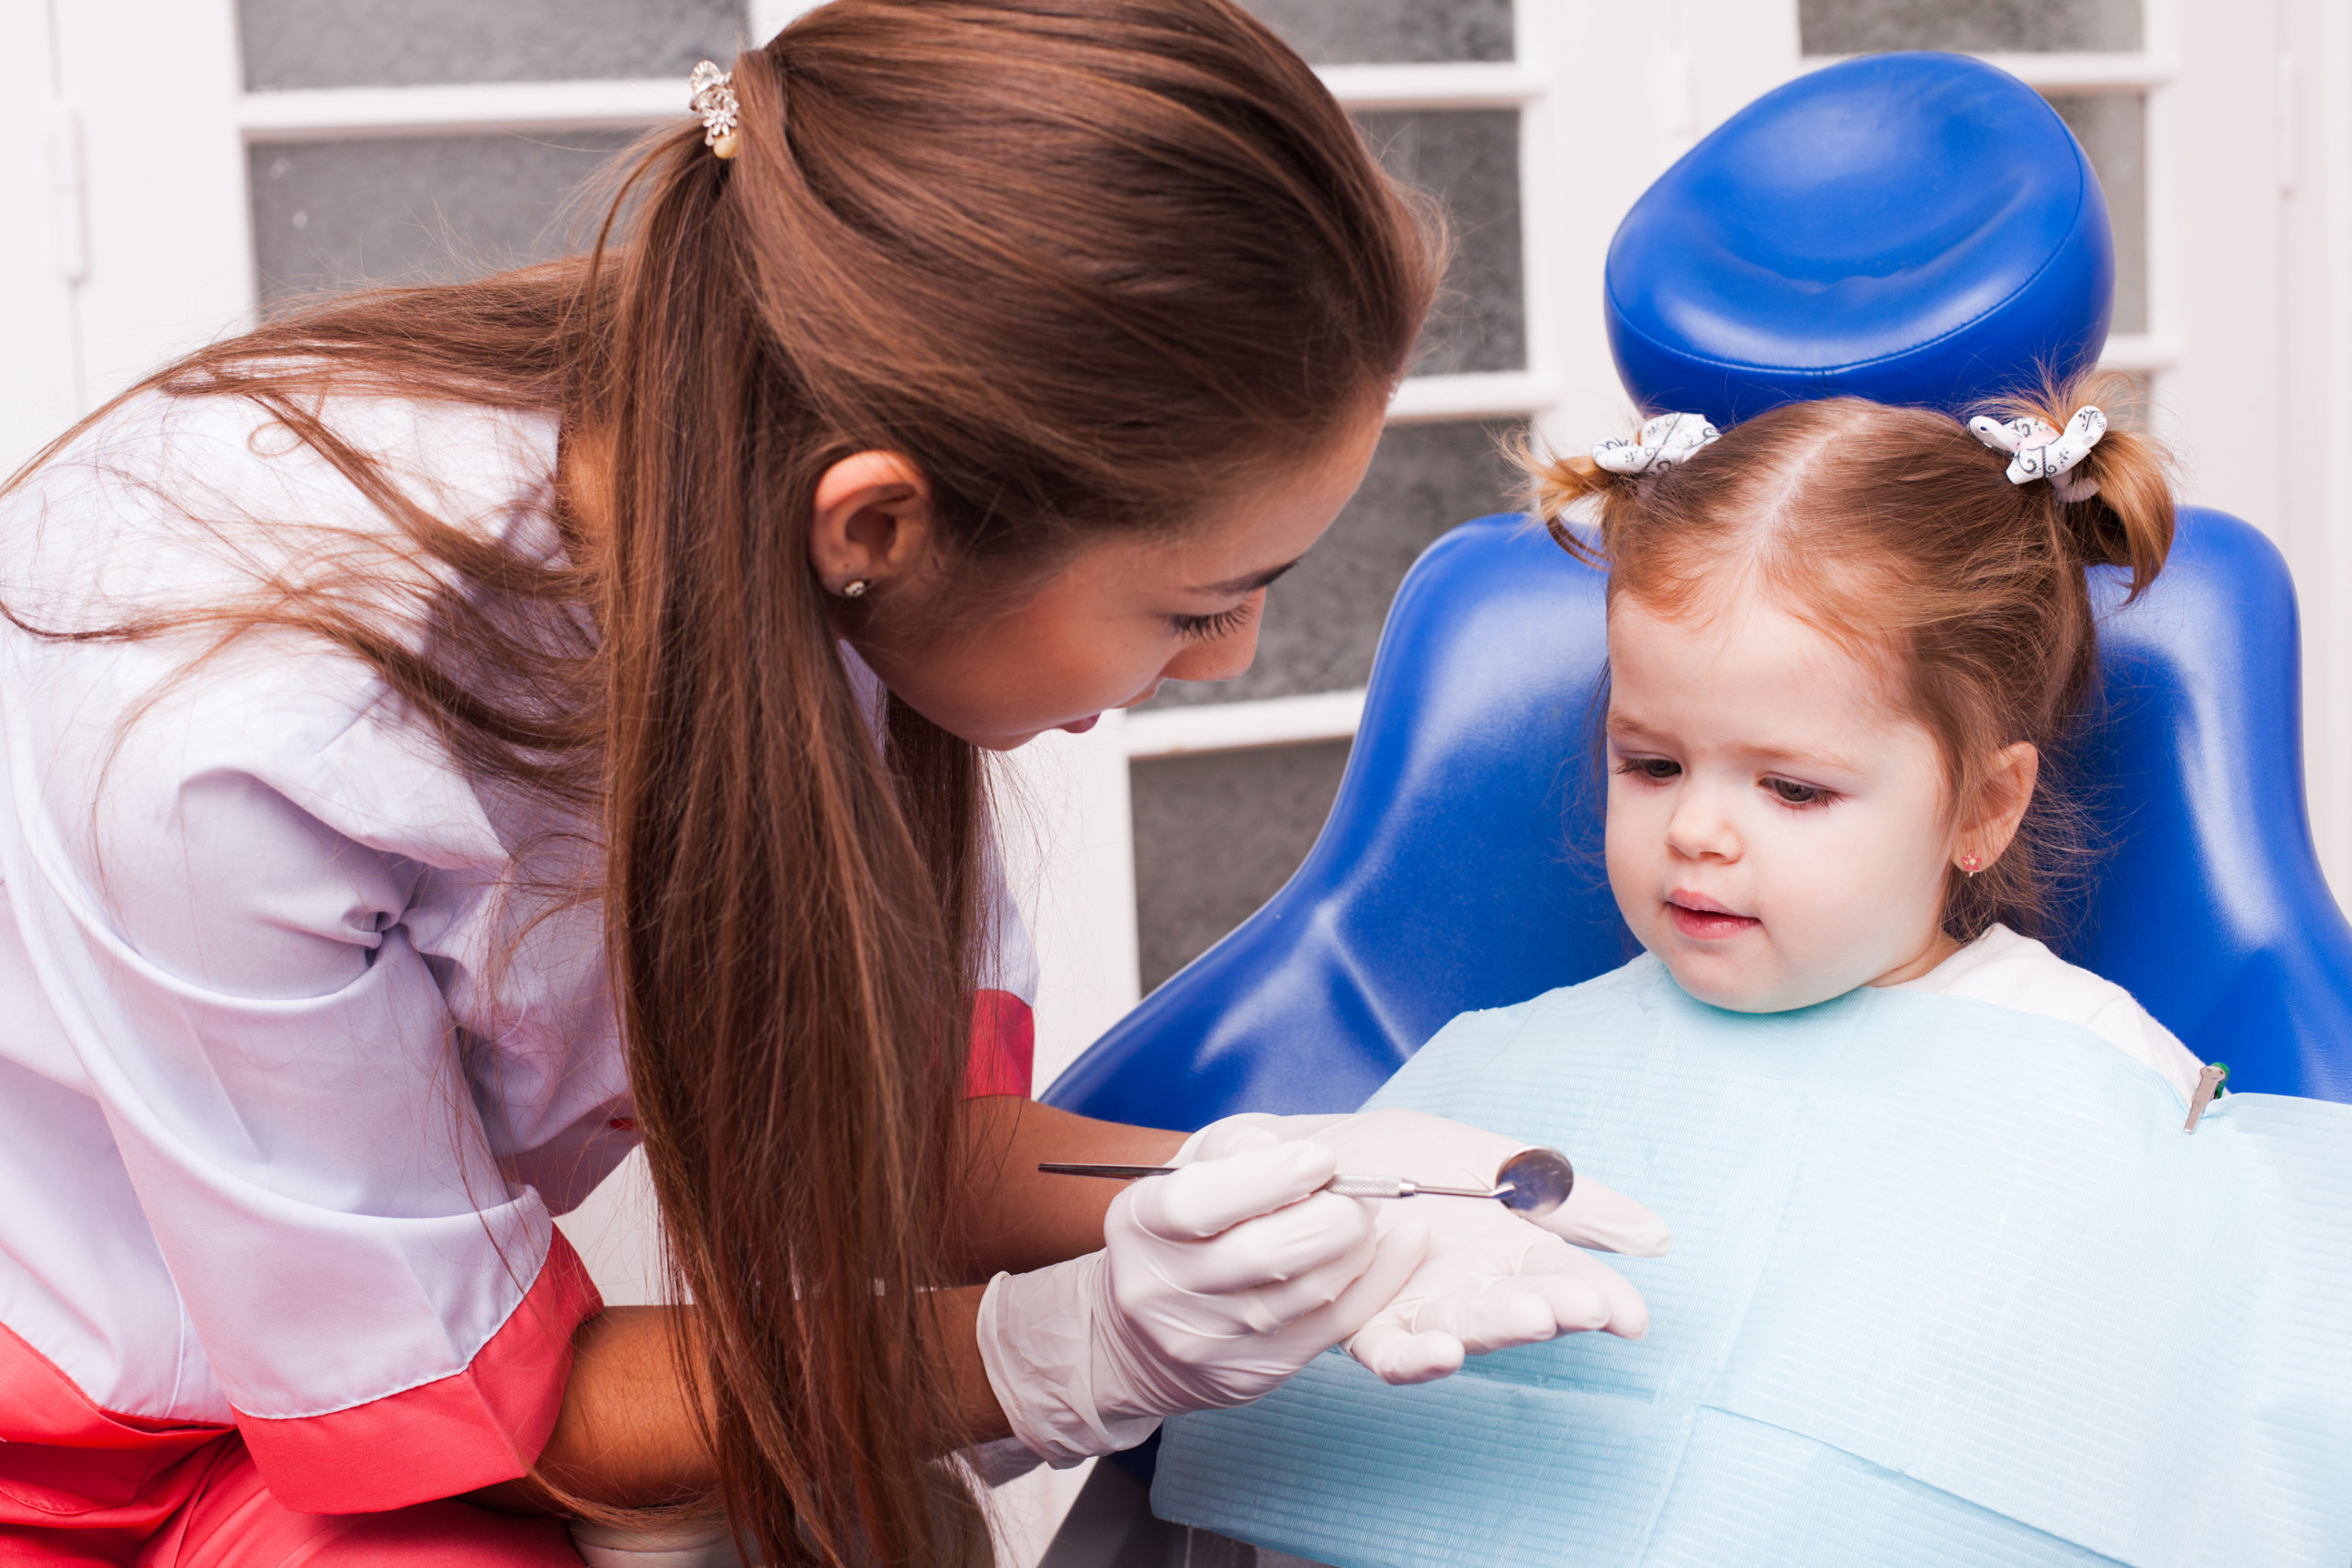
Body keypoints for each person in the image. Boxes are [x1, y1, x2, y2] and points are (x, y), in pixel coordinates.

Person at [0, 4, 1670, 1564]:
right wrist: (1080, 1350)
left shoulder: (818, 555)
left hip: (344, 1376)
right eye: (1193, 601)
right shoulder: (242, 736)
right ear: (880, 524)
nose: (1230, 661)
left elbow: (904, 1155)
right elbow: (501, 1419)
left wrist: (1291, 1185)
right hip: (59, 1436)